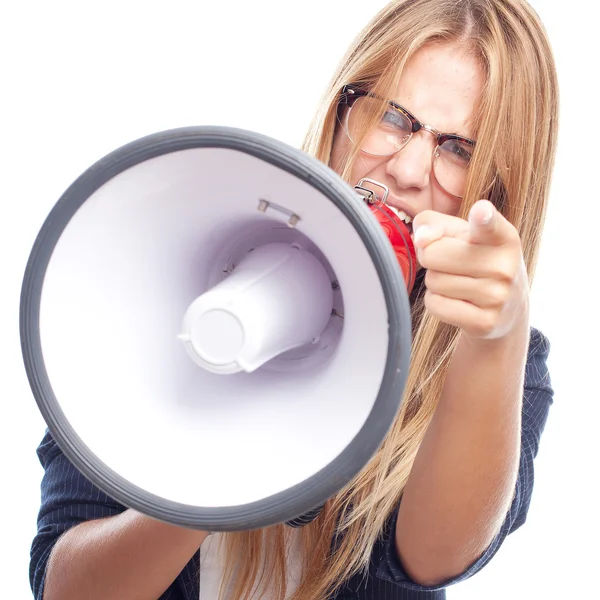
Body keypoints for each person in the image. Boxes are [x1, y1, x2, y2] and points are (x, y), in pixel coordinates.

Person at [29, 0, 558, 598]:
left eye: (460, 149)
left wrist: (496, 339)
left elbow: (435, 555)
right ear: (340, 110)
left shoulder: (501, 364)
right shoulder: (141, 283)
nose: (409, 169)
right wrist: (212, 470)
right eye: (390, 115)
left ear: (501, 189)